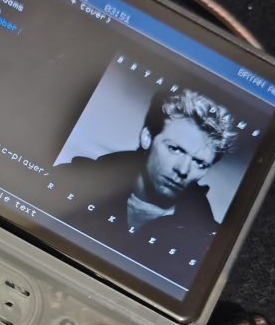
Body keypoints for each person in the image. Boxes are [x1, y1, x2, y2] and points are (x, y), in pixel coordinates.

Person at [56, 87, 238, 282]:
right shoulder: (69, 181)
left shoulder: (209, 246)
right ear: (147, 138)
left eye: (200, 163)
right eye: (174, 149)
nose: (183, 170)